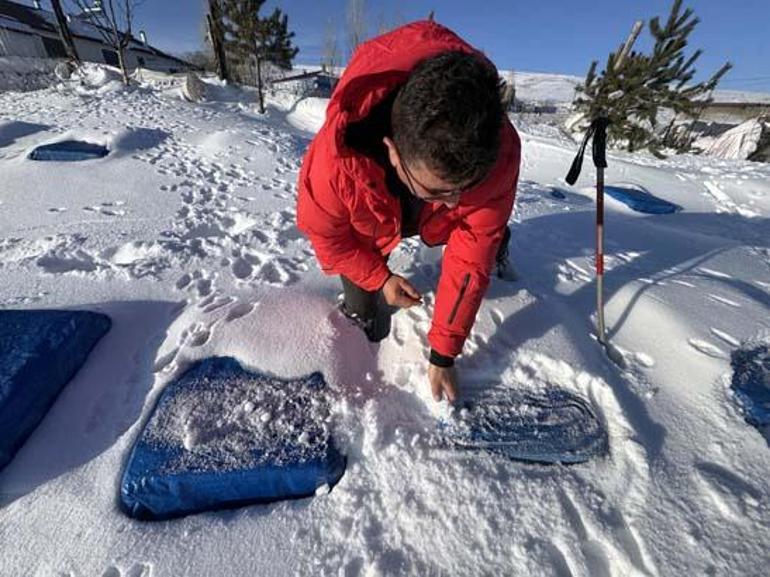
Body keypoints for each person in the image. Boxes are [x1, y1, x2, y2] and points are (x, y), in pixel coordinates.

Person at [297, 20, 521, 403]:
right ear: (392, 152)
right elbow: (330, 240)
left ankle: (502, 244)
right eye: (437, 191)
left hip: (436, 215)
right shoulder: (335, 164)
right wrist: (380, 278)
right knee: (363, 303)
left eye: (462, 190)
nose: (453, 203)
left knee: (486, 235)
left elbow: (471, 252)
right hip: (372, 216)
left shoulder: (497, 152)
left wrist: (444, 354)